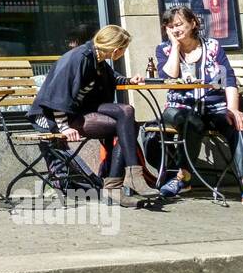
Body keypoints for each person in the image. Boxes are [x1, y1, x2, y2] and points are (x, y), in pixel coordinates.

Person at [155, 7, 243, 209]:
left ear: (193, 23)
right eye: (170, 26)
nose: (175, 29)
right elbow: (169, 76)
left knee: (237, 122)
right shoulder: (164, 50)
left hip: (214, 107)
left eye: (179, 24)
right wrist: (175, 46)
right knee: (191, 121)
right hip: (179, 108)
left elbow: (228, 78)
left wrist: (233, 109)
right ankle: (183, 177)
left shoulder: (212, 47)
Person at [28, 24, 154, 206]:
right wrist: (63, 126)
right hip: (51, 116)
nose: (123, 53)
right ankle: (116, 185)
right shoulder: (79, 58)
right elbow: (58, 93)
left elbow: (112, 77)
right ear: (116, 49)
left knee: (127, 112)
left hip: (80, 110)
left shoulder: (97, 58)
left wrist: (129, 80)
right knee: (128, 126)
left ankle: (131, 176)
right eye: (124, 50)